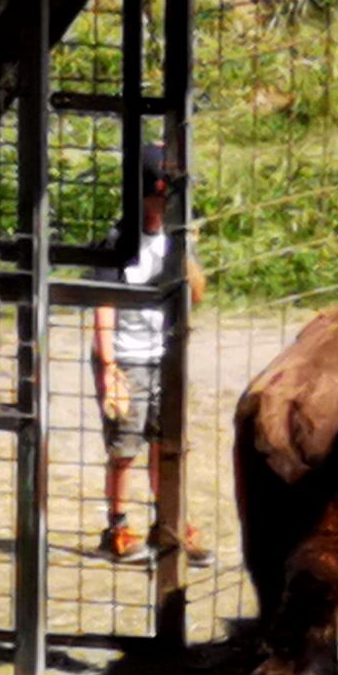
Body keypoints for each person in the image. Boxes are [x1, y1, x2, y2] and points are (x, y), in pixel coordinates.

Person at [93, 142, 206, 563]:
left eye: (169, 196)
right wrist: (108, 368)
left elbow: (197, 294)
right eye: (159, 194)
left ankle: (169, 523)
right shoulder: (118, 240)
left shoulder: (177, 239)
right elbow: (102, 305)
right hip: (126, 357)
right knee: (124, 448)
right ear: (141, 194)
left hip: (167, 356)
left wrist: (188, 256)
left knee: (168, 442)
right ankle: (116, 528)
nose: (164, 203)